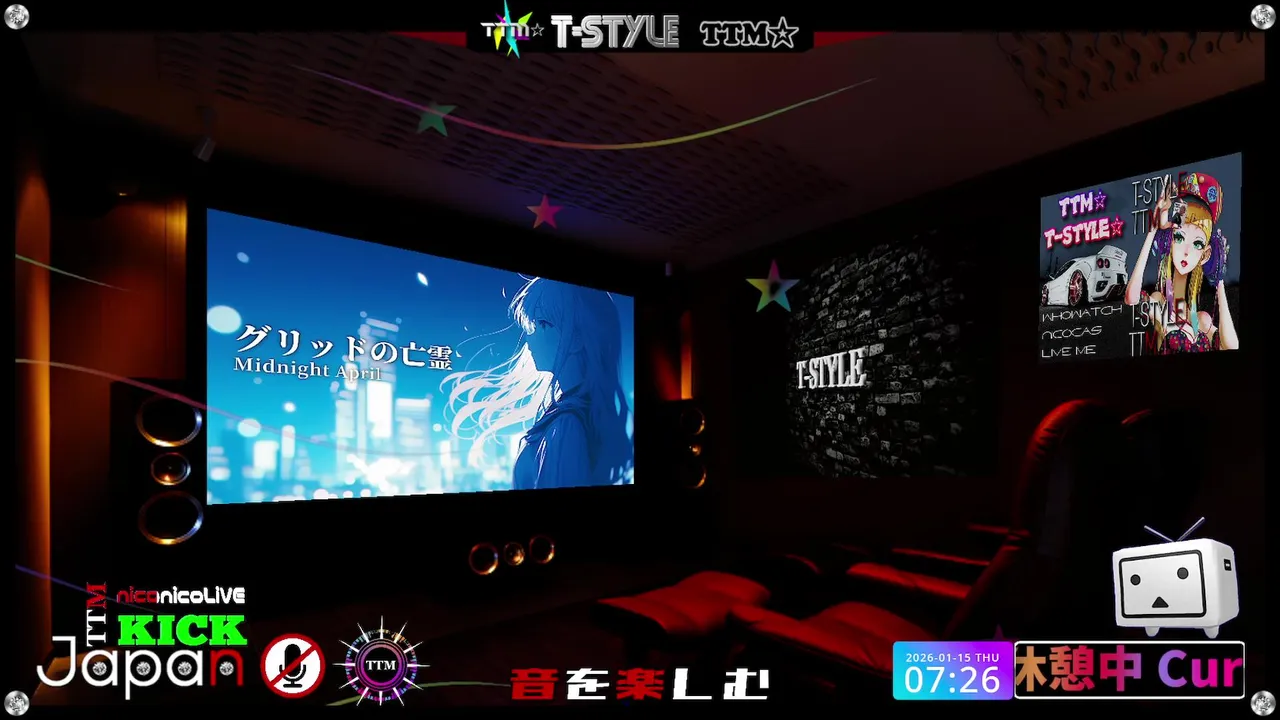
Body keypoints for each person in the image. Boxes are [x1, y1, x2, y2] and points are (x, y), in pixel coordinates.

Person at [443, 277, 633, 490]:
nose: (529, 339)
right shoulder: (575, 416)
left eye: (542, 324)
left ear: (577, 337)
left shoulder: (568, 423)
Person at [1123, 172, 1238, 353]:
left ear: (1205, 255)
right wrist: (1152, 230)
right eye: (1179, 237)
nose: (1186, 251)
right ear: (1170, 240)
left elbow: (1231, 346)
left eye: (1197, 244)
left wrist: (1220, 280)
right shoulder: (1160, 302)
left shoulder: (1201, 319)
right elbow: (1131, 298)